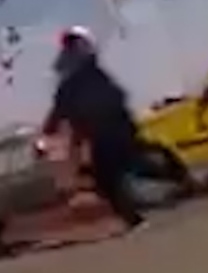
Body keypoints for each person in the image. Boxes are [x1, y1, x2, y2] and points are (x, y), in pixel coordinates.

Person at [42, 27, 147, 231]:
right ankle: (136, 212)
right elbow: (118, 96)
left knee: (107, 178)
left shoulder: (72, 80)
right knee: (125, 166)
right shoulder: (95, 73)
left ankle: (134, 219)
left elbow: (59, 110)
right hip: (117, 128)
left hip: (103, 132)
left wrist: (48, 132)